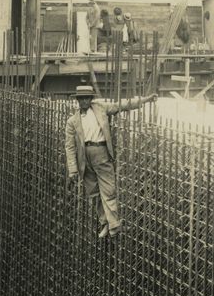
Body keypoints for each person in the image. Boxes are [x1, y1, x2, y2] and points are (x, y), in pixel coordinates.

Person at [64, 83, 157, 238]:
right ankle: (105, 223)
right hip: (84, 158)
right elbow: (70, 146)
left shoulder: (100, 108)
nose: (84, 101)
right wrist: (73, 169)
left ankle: (114, 225)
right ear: (77, 100)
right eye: (81, 98)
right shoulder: (72, 121)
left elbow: (123, 105)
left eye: (87, 98)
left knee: (108, 189)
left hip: (101, 152)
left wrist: (146, 100)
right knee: (94, 193)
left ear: (91, 99)